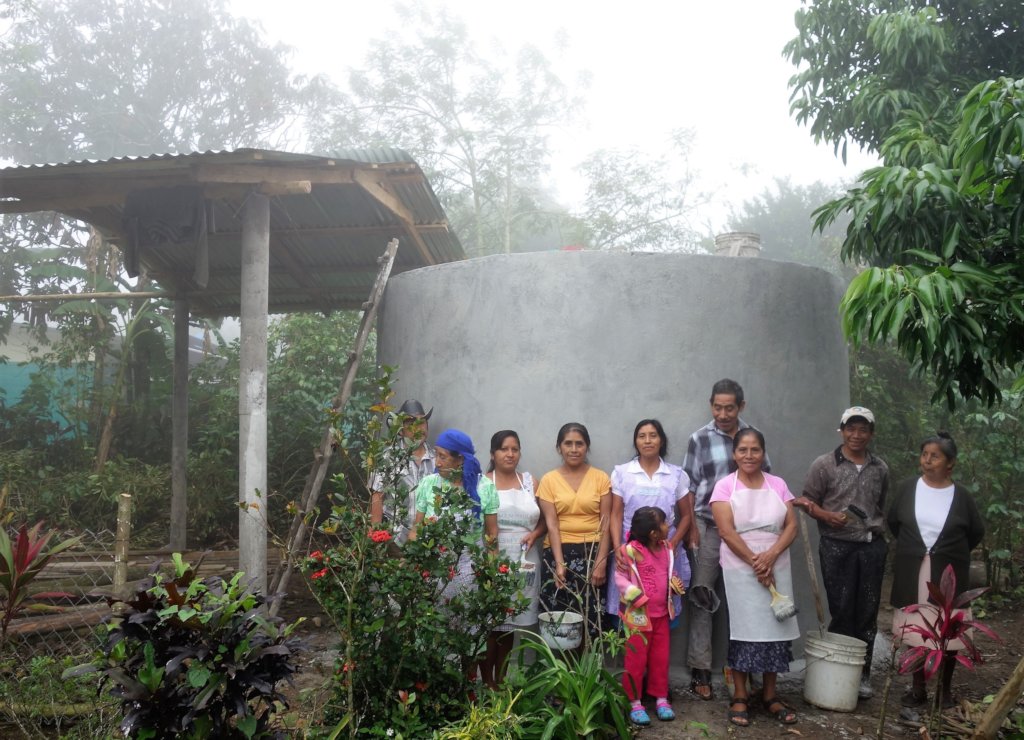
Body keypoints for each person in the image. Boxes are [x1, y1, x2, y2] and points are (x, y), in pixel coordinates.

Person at [793, 405, 889, 699]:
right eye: (851, 429)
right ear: (842, 431)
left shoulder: (880, 468)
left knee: (868, 612)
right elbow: (806, 501)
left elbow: (881, 505)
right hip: (837, 545)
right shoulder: (824, 464)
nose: (856, 435)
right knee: (842, 609)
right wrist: (826, 515)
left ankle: (862, 675)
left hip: (871, 545)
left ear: (871, 434)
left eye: (863, 430)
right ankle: (839, 674)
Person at [682, 378, 770, 700]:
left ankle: (745, 667)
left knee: (746, 598)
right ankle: (700, 669)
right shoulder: (699, 439)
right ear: (711, 405)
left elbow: (766, 481)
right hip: (708, 528)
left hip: (746, 532)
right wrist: (691, 528)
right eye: (717, 407)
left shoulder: (752, 438)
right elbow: (689, 487)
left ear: (740, 406)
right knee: (702, 596)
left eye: (729, 408)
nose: (722, 414)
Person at [887, 432, 984, 709]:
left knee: (948, 632)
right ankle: (918, 689)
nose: (927, 461)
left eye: (935, 456)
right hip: (914, 570)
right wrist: (919, 549)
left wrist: (946, 553)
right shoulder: (907, 488)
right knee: (917, 629)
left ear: (950, 463)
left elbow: (975, 532)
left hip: (948, 573)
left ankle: (944, 691)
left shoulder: (961, 496)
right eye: (924, 454)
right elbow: (894, 522)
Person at [710, 427, 799, 727]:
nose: (749, 455)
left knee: (776, 628)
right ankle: (740, 694)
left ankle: (770, 694)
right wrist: (756, 563)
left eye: (755, 450)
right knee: (744, 630)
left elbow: (791, 526)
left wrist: (771, 557)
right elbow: (726, 531)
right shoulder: (725, 487)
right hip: (740, 567)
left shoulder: (778, 484)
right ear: (734, 454)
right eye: (743, 450)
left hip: (777, 562)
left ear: (763, 453)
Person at [608, 419, 691, 624]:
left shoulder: (676, 475)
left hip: (664, 550)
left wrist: (672, 544)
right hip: (631, 550)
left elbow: (687, 516)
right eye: (642, 436)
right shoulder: (622, 473)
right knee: (630, 600)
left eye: (653, 436)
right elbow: (616, 514)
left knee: (661, 601)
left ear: (661, 441)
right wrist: (618, 547)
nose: (647, 441)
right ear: (635, 442)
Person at [481, 430, 546, 689]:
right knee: (490, 623)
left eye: (515, 449)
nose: (510, 454)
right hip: (492, 556)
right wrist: (490, 562)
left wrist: (535, 534)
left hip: (525, 559)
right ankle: (487, 682)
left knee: (511, 623)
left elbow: (545, 519)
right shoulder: (483, 482)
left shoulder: (530, 482)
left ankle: (501, 681)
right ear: (492, 454)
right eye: (504, 449)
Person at [537, 422, 612, 640]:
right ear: (559, 447)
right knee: (559, 622)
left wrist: (601, 562)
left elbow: (605, 523)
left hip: (592, 555)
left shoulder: (601, 478)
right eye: (568, 444)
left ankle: (587, 663)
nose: (574, 449)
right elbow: (551, 524)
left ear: (587, 447)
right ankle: (560, 664)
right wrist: (559, 564)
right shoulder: (549, 480)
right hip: (557, 553)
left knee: (590, 619)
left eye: (579, 444)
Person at [616, 506, 687, 726]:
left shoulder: (667, 549)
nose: (669, 526)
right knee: (635, 659)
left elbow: (669, 573)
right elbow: (620, 578)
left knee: (660, 659)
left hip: (661, 615)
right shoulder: (630, 551)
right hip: (638, 618)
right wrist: (635, 595)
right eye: (664, 523)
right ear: (653, 533)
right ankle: (634, 701)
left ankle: (661, 698)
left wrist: (674, 585)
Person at [369, 399, 435, 544]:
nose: (419, 428)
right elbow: (377, 496)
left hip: (428, 541)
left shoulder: (436, 459)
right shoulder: (388, 457)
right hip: (396, 539)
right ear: (401, 430)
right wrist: (376, 535)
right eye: (411, 424)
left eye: (422, 422)